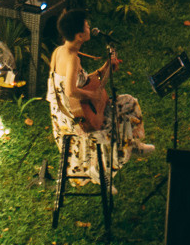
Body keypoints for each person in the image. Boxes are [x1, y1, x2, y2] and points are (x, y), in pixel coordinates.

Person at [50, 11, 153, 155]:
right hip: (79, 122)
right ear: (79, 36)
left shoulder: (59, 51)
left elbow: (81, 81)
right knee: (129, 104)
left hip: (64, 117)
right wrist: (92, 95)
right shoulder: (73, 59)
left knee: (127, 101)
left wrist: (105, 68)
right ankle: (130, 146)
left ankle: (133, 144)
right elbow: (70, 91)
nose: (89, 27)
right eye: (86, 26)